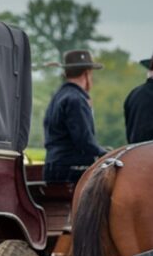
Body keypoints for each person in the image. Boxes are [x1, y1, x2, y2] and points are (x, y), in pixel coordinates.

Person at [43, 49, 107, 183]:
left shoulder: (58, 96)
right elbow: (84, 141)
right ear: (87, 73)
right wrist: (107, 153)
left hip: (53, 166)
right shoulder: (76, 100)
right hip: (70, 170)